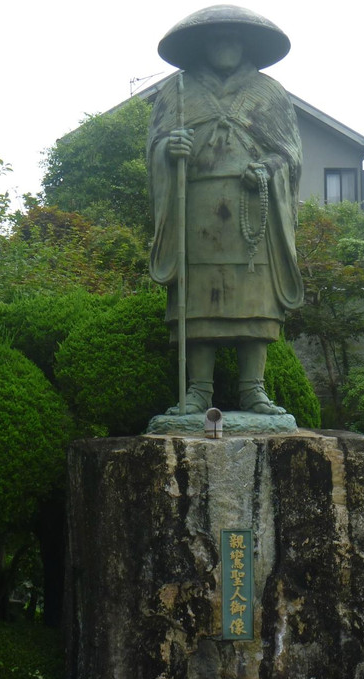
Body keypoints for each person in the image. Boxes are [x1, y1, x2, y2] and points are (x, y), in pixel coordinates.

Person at [148, 5, 303, 416]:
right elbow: (156, 146)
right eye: (217, 38)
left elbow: (288, 157)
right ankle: (198, 390)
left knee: (256, 301)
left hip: (252, 210)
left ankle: (254, 388)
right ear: (202, 44)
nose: (225, 46)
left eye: (233, 38)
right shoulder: (176, 91)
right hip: (195, 211)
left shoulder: (270, 93)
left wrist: (267, 169)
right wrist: (169, 149)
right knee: (197, 301)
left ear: (246, 43)